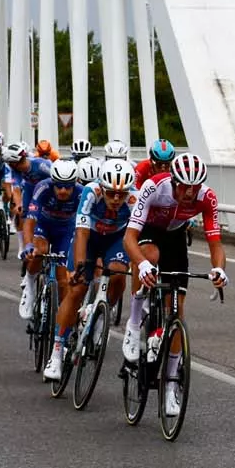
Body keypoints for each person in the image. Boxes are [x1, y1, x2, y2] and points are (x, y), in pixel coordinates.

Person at [122, 146, 228, 419]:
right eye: (185, 187)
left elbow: (215, 241)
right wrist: (142, 264)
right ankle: (134, 323)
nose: (190, 193)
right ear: (174, 181)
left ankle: (170, 386)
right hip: (150, 231)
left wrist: (219, 269)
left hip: (175, 238)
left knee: (178, 313)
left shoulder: (207, 198)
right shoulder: (154, 186)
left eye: (195, 187)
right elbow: (129, 238)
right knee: (150, 255)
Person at [50, 158, 138, 370]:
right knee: (77, 288)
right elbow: (81, 232)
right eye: (111, 193)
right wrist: (79, 266)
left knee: (118, 274)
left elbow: (136, 236)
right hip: (90, 238)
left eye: (121, 194)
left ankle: (100, 315)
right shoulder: (91, 192)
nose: (117, 199)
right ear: (102, 188)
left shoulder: (135, 198)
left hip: (116, 239)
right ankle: (56, 352)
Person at [29, 159, 83, 381]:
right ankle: (30, 286)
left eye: (67, 186)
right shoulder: (42, 187)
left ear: (74, 184)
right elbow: (30, 220)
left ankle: (62, 325)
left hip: (65, 231)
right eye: (58, 185)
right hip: (44, 225)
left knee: (64, 283)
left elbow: (82, 228)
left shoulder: (80, 193)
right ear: (52, 182)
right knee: (39, 250)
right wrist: (28, 246)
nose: (62, 190)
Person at [5, 142, 54, 317]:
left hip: (48, 195)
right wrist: (18, 205)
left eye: (13, 164)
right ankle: (29, 276)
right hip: (30, 197)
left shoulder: (42, 165)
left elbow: (59, 180)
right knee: (28, 224)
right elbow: (16, 189)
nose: (12, 167)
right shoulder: (16, 169)